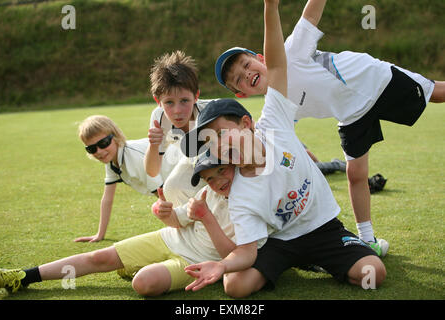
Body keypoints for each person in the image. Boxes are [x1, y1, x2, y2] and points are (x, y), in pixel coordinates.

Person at [180, 0, 386, 298]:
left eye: (222, 135)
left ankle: (322, 260)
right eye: (211, 143)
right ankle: (296, 263)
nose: (220, 147)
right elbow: (248, 251)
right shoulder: (239, 195)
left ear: (247, 123)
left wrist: (270, 7)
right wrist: (222, 266)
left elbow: (276, 64)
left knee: (372, 273)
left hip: (323, 227)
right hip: (282, 241)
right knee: (235, 287)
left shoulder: (275, 120)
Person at [213, 0, 444, 256]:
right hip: (351, 114)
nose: (246, 74)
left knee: (437, 93)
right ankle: (368, 240)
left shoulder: (290, 52)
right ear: (242, 94)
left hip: (373, 80)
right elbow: (275, 138)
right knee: (355, 174)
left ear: (261, 58)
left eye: (246, 65)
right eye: (238, 79)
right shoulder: (275, 105)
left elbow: (310, 14)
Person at [0, 154, 242, 296]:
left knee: (143, 284)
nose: (217, 181)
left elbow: (232, 256)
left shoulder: (250, 204)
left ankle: (137, 266)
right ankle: (21, 276)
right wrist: (162, 212)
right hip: (169, 238)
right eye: (209, 178)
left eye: (222, 171)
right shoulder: (207, 193)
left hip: (194, 262)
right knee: (98, 258)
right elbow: (177, 221)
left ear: (234, 166)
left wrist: (207, 218)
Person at [74, 115, 163, 243]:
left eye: (103, 143)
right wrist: (100, 234)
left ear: (115, 137)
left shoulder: (134, 157)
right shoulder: (111, 161)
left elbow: (162, 194)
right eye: (92, 148)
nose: (99, 151)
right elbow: (107, 199)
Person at [145, 51, 214, 207]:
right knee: (172, 188)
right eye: (169, 102)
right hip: (196, 160)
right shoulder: (159, 117)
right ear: (158, 101)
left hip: (225, 159)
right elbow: (152, 171)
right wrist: (153, 145)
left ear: (196, 96)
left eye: (184, 100)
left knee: (217, 190)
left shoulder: (210, 111)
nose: (177, 110)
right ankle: (188, 228)